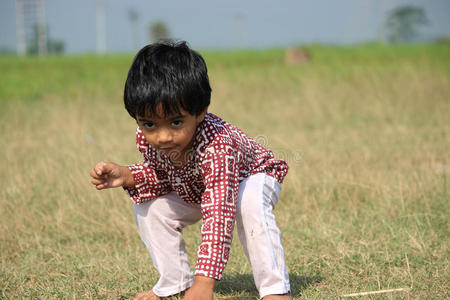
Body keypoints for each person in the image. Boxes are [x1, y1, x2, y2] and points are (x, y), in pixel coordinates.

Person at [90, 40, 292, 300]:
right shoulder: (146, 139)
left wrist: (205, 283)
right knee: (150, 208)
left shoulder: (217, 147)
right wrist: (128, 175)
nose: (162, 137)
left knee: (247, 201)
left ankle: (275, 290)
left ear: (200, 112)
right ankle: (176, 283)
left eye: (175, 122)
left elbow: (219, 211)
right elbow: (165, 177)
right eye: (149, 123)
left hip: (252, 176)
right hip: (202, 189)